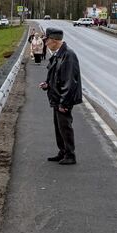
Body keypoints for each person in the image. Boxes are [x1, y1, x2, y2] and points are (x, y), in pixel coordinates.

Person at [39, 27, 82, 165]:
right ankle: (62, 152)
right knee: (59, 127)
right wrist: (47, 84)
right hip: (57, 98)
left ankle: (70, 154)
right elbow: (56, 76)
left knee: (65, 127)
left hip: (63, 100)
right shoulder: (59, 54)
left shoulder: (68, 55)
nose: (45, 44)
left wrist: (64, 103)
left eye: (47, 41)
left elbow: (70, 82)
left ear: (54, 40)